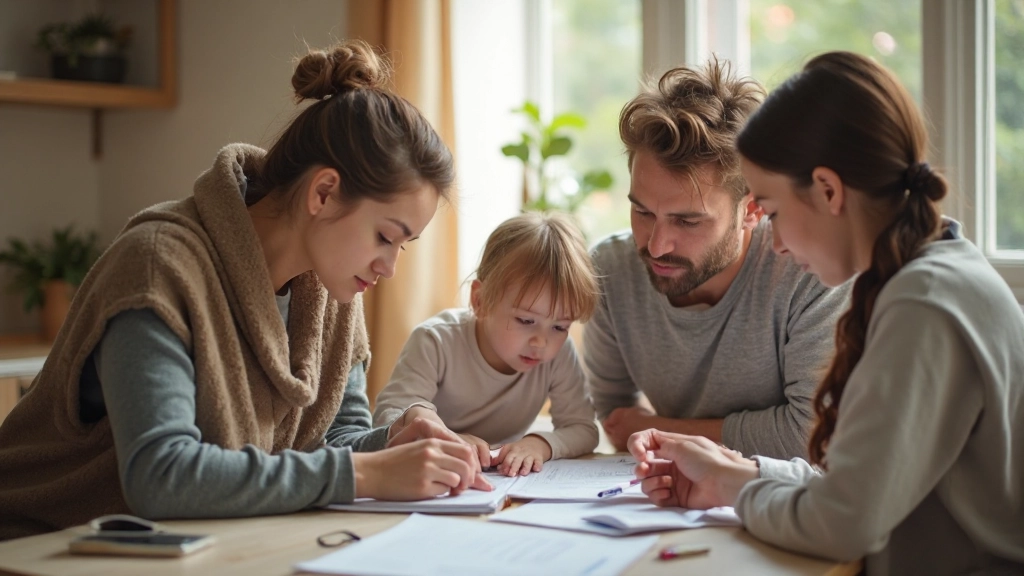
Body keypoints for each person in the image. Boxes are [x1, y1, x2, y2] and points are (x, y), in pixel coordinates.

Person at [0, 40, 491, 541]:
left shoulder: (332, 288)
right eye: (385, 236)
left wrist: (395, 441)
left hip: (186, 548)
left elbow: (334, 440)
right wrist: (369, 474)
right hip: (40, 545)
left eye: (403, 246)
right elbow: (160, 476)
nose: (388, 267)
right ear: (323, 193)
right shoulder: (156, 266)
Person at [628, 51, 1024, 575]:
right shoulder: (935, 273)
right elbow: (860, 488)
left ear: (829, 191)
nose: (778, 245)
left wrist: (736, 486)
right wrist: (735, 474)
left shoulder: (924, 305)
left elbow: (842, 524)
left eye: (770, 211)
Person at [586, 58, 850, 458]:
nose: (656, 246)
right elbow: (618, 420)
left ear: (753, 210)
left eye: (688, 221)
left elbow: (812, 436)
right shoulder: (612, 270)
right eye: (642, 212)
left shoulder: (809, 275)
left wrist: (660, 429)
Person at [374, 212, 600, 477]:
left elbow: (583, 428)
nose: (542, 341)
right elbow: (389, 416)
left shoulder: (559, 354)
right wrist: (446, 437)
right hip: (437, 469)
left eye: (560, 327)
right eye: (526, 320)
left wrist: (539, 444)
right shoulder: (435, 340)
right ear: (480, 301)